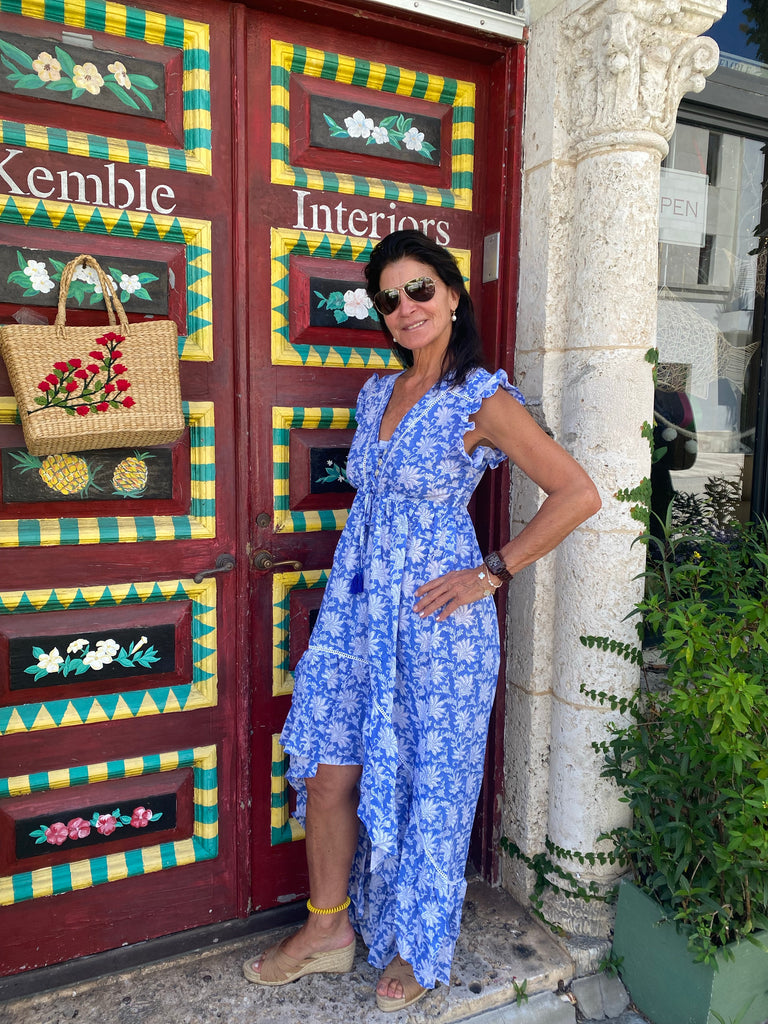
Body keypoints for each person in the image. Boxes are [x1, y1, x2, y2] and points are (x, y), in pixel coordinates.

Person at [243, 230, 601, 1010]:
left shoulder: (482, 397)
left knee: (428, 787)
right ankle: (329, 930)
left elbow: (577, 492)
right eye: (391, 298)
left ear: (452, 294)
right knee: (327, 768)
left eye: (421, 291)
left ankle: (414, 943)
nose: (406, 309)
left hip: (438, 626)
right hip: (356, 614)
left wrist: (491, 573)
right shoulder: (378, 391)